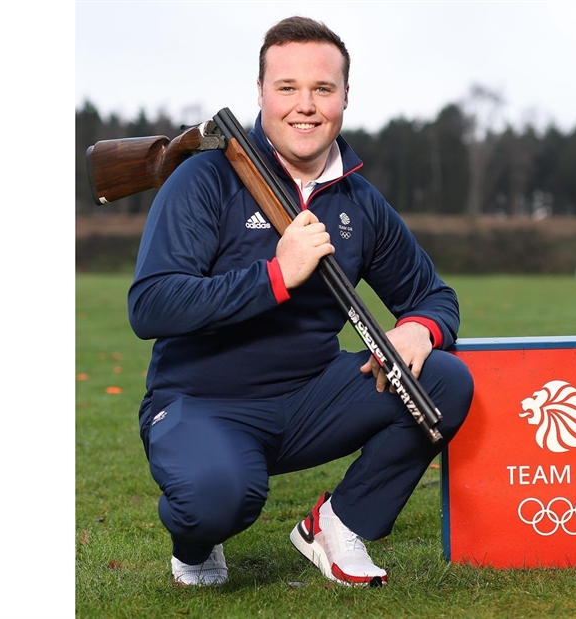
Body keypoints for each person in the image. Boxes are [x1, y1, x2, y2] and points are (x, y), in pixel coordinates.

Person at [127, 15, 474, 588]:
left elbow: (433, 296)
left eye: (323, 89)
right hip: (202, 401)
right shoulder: (203, 180)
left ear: (344, 97)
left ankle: (338, 525)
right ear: (261, 93)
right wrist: (277, 274)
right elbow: (153, 305)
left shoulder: (358, 201)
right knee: (220, 498)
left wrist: (419, 330)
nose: (305, 105)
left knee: (443, 380)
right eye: (286, 87)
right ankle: (194, 543)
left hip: (309, 398)